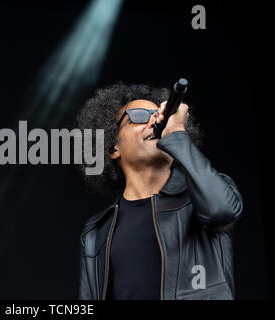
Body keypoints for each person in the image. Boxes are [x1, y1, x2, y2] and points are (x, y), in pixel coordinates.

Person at [75, 83, 243, 300]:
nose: (155, 120)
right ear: (113, 147)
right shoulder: (95, 232)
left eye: (157, 114)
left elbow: (222, 212)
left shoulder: (202, 195)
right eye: (138, 116)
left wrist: (176, 133)